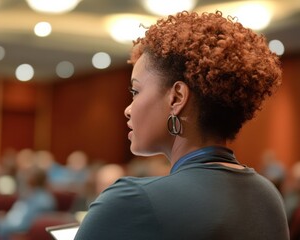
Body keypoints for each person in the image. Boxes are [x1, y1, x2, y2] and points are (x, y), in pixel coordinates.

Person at [74, 11, 289, 239]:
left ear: (176, 98)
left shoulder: (131, 201)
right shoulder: (268, 196)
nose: (128, 109)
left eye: (136, 92)